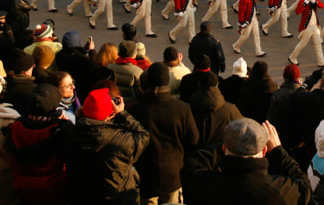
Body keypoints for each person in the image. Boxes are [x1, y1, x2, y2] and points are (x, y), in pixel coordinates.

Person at [181, 119, 311, 205]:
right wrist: (277, 151)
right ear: (264, 151)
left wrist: (232, 142)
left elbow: (193, 163)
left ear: (224, 148)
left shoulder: (207, 185)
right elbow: (303, 184)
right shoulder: (279, 190)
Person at [130, 62, 200, 205]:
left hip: (146, 175)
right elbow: (193, 139)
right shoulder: (182, 109)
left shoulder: (136, 110)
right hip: (173, 174)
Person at [71, 87, 150, 205]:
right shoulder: (117, 140)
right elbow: (143, 136)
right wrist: (122, 114)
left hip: (84, 195)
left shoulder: (71, 131)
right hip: (118, 197)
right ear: (109, 115)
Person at [288, 0, 324, 67]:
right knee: (303, 43)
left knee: (318, 45)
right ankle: (292, 57)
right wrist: (305, 3)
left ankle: (321, 61)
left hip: (315, 26)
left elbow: (322, 6)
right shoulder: (302, 2)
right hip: (307, 27)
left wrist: (315, 2)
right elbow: (298, 12)